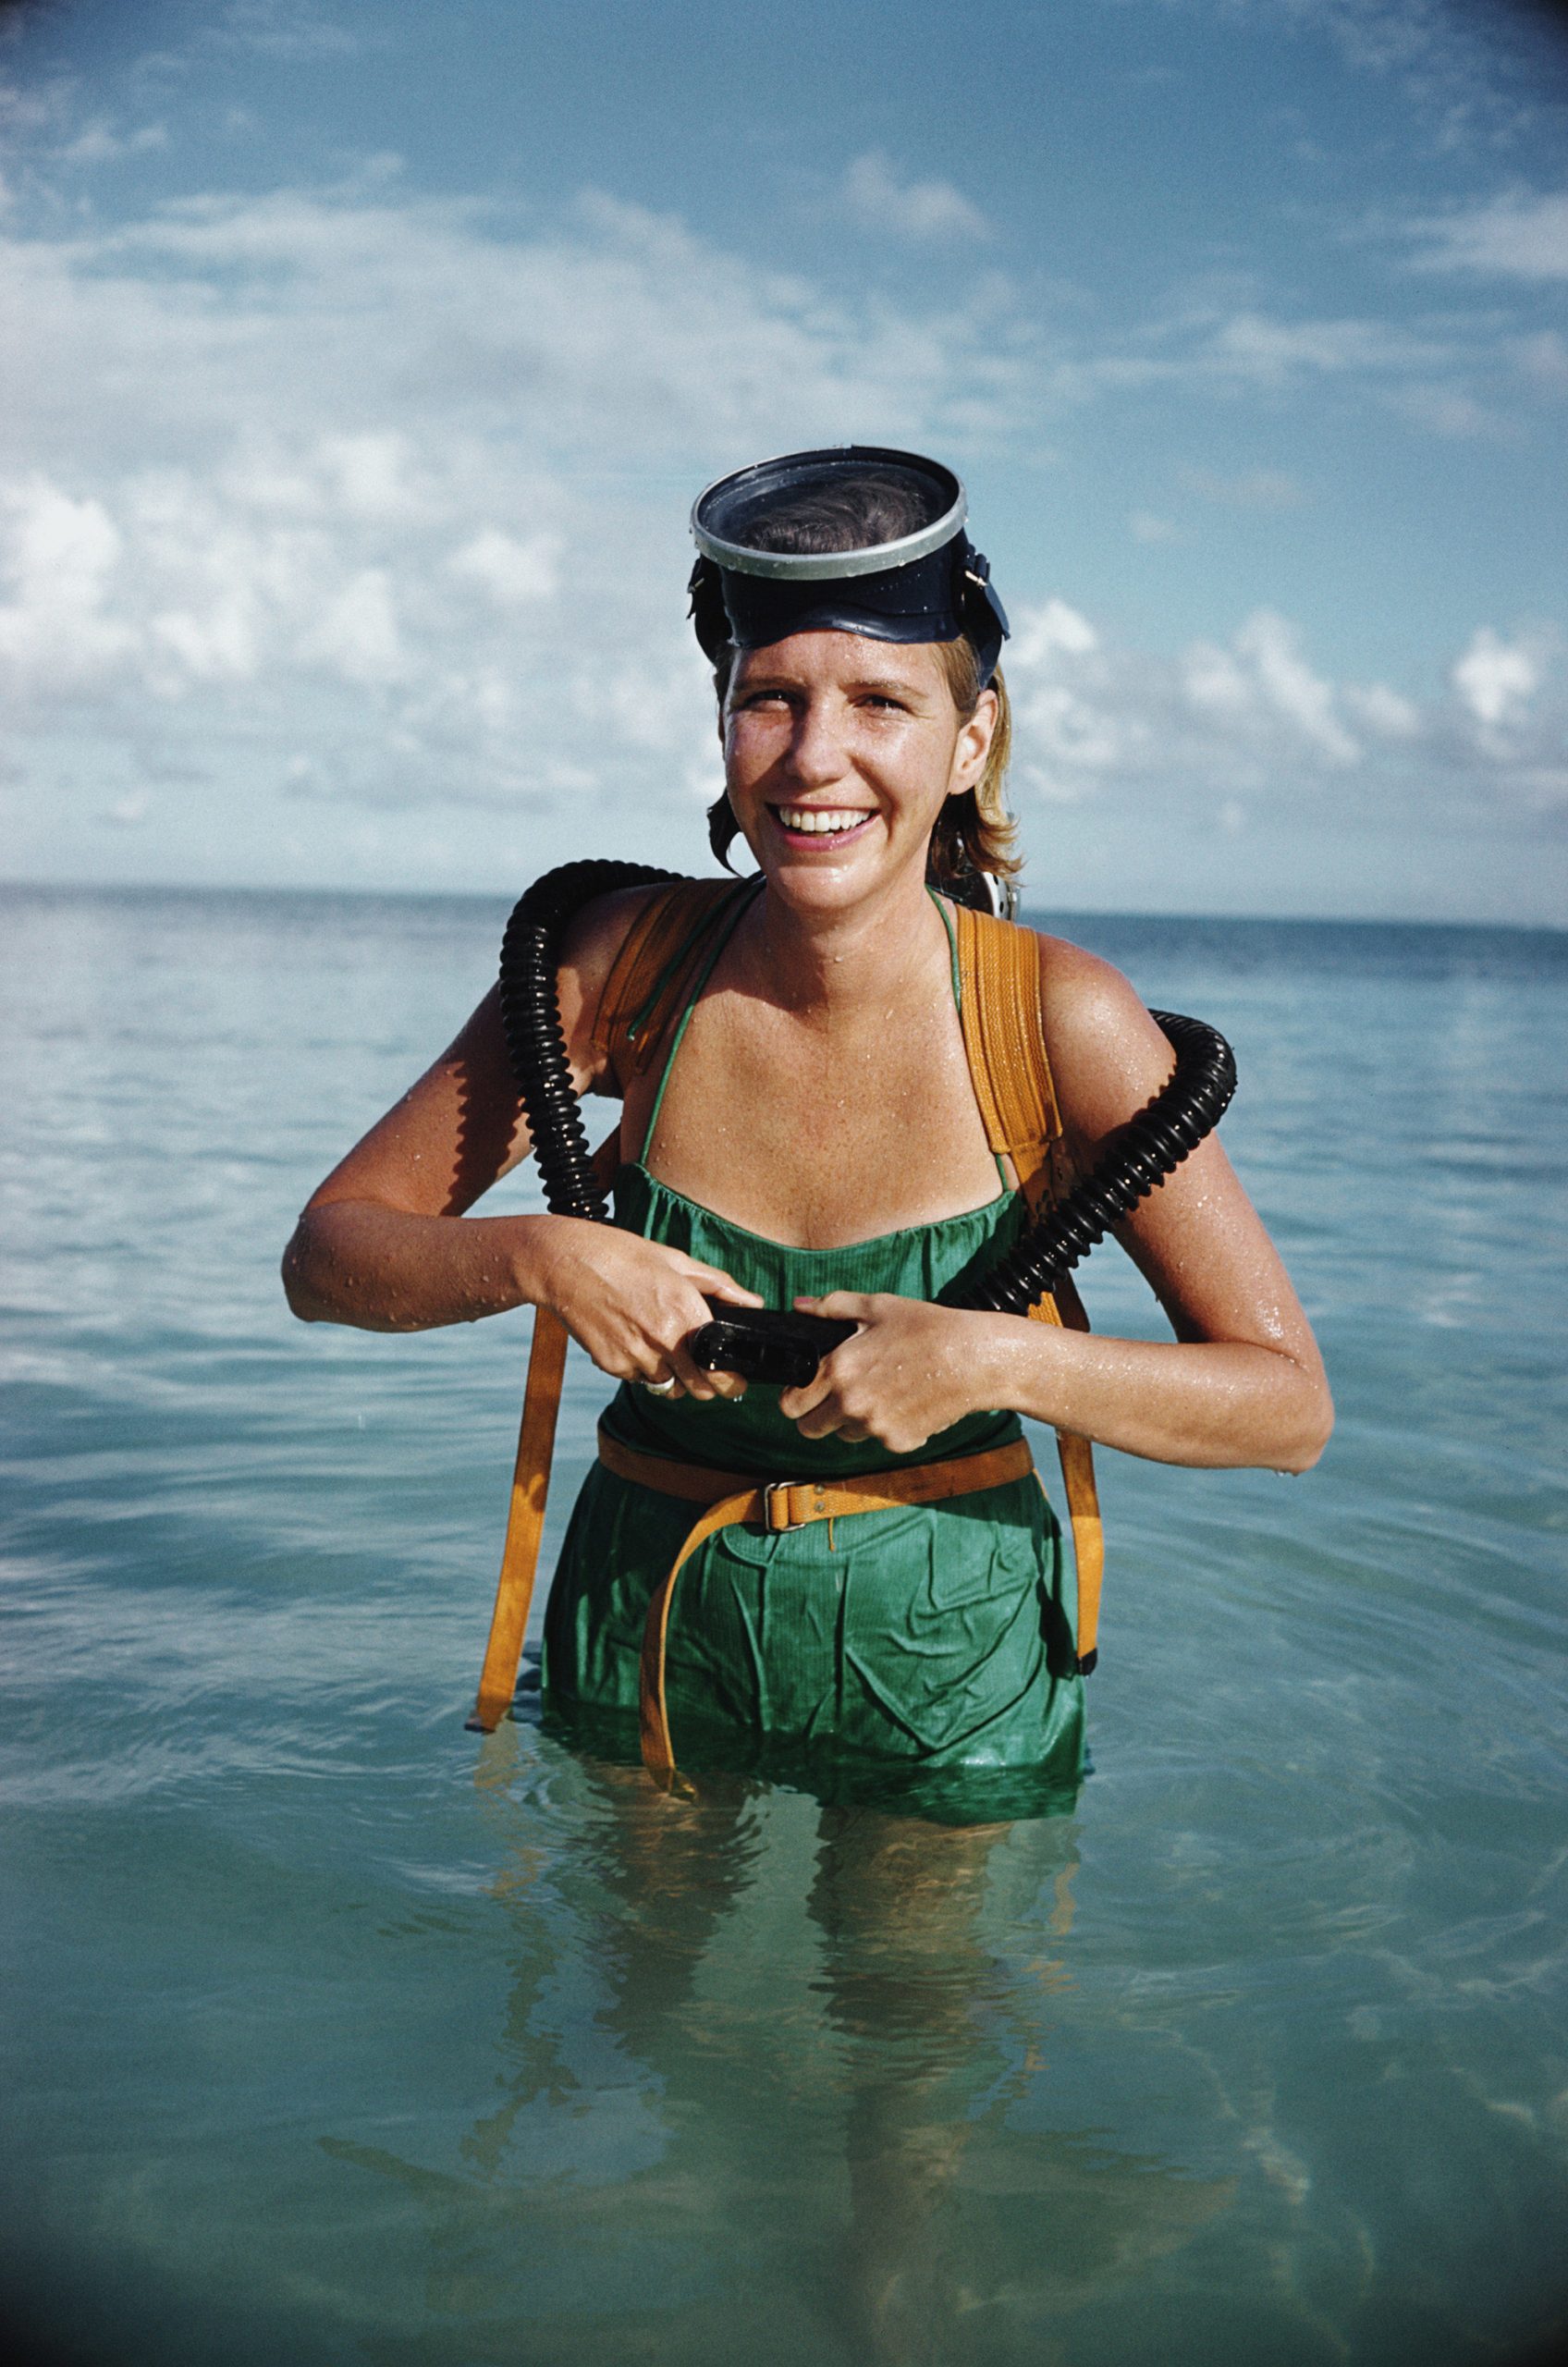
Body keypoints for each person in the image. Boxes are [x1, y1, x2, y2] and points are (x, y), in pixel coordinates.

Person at [283, 446, 1332, 1810]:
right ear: (722, 723)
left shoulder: (1056, 1023)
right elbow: (327, 1259)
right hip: (647, 1624)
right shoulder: (622, 971)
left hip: (950, 1653)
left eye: (882, 703)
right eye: (768, 699)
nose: (814, 757)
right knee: (641, 2028)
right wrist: (540, 1256)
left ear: (971, 742)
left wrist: (994, 1357)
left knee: (908, 2031)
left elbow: (1287, 1409)